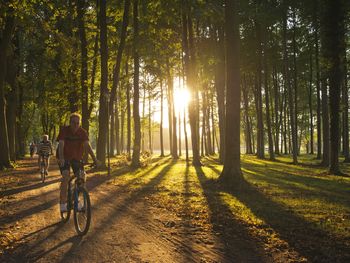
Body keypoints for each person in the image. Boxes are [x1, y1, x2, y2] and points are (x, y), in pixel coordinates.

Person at [57, 112, 99, 212]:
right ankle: (63, 203)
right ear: (70, 122)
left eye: (77, 123)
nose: (75, 125)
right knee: (66, 175)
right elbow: (61, 145)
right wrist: (62, 158)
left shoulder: (82, 132)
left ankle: (77, 196)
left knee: (81, 176)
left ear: (79, 123)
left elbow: (87, 146)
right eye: (73, 122)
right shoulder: (64, 131)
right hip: (64, 157)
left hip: (76, 158)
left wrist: (95, 159)